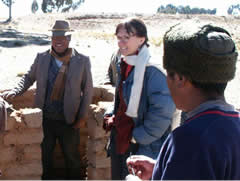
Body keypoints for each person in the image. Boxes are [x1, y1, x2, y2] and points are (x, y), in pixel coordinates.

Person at [126, 22, 240, 180]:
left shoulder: (190, 140)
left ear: (180, 79)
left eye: (168, 74)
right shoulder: (233, 126)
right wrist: (162, 168)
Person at [1, 20, 93, 180]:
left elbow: (88, 91)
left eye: (62, 37)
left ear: (69, 38)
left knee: (72, 158)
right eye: (55, 36)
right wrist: (16, 91)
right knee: (44, 158)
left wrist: (82, 117)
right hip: (45, 120)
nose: (58, 40)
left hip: (69, 120)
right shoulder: (42, 58)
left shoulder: (82, 61)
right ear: (51, 38)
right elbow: (29, 78)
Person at [103, 17, 176, 180]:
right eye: (119, 38)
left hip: (143, 149)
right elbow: (121, 98)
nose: (121, 43)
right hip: (122, 142)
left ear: (141, 39)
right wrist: (111, 114)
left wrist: (135, 136)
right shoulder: (125, 64)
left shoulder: (153, 72)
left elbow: (162, 114)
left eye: (126, 38)